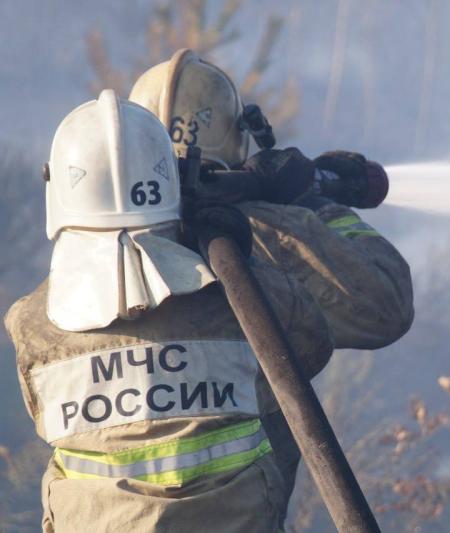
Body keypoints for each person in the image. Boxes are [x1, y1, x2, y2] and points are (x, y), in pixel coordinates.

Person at [4, 90, 334, 532]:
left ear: (58, 188)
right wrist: (236, 251)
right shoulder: (242, 302)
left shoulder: (30, 322)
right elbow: (310, 347)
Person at [129, 49, 415, 502]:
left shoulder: (89, 250)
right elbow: (386, 306)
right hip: (240, 516)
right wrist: (312, 206)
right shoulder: (260, 237)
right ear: (237, 135)